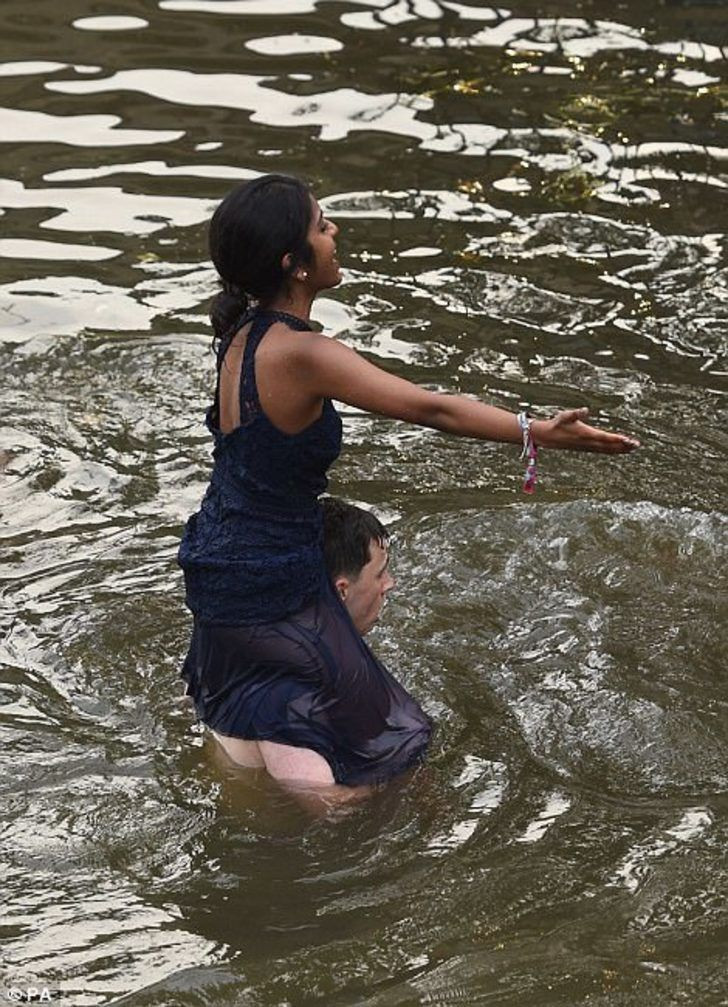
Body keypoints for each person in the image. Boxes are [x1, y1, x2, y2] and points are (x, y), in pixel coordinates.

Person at [178, 173, 639, 796]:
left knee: (270, 705)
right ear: (293, 263)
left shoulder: (239, 335)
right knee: (397, 752)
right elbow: (430, 409)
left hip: (219, 562)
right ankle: (371, 858)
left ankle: (257, 816)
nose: (334, 231)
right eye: (321, 225)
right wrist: (536, 431)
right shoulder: (301, 353)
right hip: (267, 577)